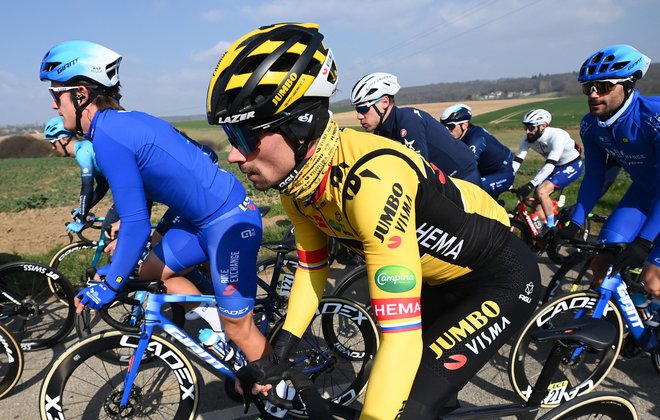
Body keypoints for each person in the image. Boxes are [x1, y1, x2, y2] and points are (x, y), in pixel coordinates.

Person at [206, 22, 541, 419]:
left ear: (299, 128)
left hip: (499, 276)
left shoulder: (373, 180)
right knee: (415, 396)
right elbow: (313, 270)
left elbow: (399, 338)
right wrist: (280, 351)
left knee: (409, 404)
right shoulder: (299, 185)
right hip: (438, 279)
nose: (233, 155)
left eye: (244, 136)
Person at [40, 40, 268, 362]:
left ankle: (282, 396)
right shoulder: (118, 124)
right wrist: (126, 249)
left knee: (241, 329)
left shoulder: (108, 137)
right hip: (195, 219)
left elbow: (136, 224)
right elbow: (142, 196)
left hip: (227, 219)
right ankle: (217, 322)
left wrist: (110, 286)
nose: (53, 105)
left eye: (56, 95)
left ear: (80, 95)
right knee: (150, 271)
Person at [560, 44, 660, 296]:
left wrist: (645, 240)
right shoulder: (591, 126)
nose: (593, 95)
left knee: (653, 280)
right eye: (588, 88)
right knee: (602, 263)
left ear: (627, 86)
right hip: (643, 196)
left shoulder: (654, 118)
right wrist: (575, 221)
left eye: (603, 86)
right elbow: (595, 177)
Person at [350, 72, 480, 185]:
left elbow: (419, 173)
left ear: (384, 102)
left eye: (363, 109)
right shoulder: (382, 130)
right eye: (357, 109)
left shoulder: (408, 121)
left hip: (463, 175)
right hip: (446, 180)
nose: (359, 116)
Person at [512, 109, 583, 229]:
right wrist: (507, 178)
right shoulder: (527, 139)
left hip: (571, 165)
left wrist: (530, 184)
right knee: (536, 204)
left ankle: (551, 227)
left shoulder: (557, 135)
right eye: (525, 127)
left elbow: (550, 164)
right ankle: (542, 233)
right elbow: (517, 161)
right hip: (555, 167)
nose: (527, 131)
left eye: (531, 127)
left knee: (541, 191)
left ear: (543, 126)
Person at [43, 116, 109, 233]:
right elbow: (103, 185)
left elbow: (87, 187)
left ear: (63, 139)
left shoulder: (83, 152)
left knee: (109, 230)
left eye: (53, 142)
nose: (53, 148)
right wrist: (84, 209)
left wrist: (81, 220)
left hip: (135, 188)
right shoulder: (87, 147)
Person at [440, 104, 515, 197]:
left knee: (471, 193)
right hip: (484, 172)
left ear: (464, 125)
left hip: (502, 173)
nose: (447, 131)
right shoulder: (458, 136)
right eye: (443, 127)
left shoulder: (476, 138)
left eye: (451, 126)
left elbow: (465, 165)